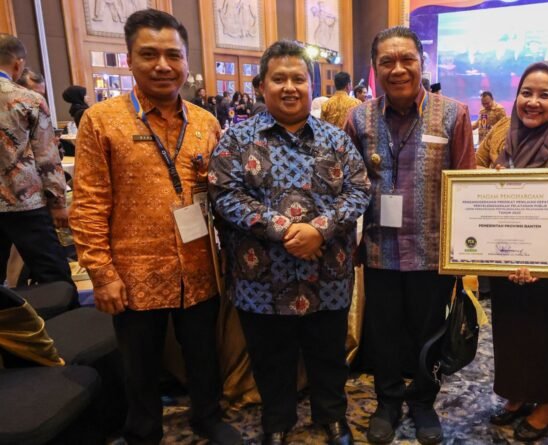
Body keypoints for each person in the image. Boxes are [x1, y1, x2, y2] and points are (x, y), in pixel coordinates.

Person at [69, 10, 241, 445]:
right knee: (139, 362)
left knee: (203, 352)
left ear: (186, 61)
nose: (163, 65)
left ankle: (207, 416)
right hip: (133, 271)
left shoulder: (206, 122)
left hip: (199, 266)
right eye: (149, 55)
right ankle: (143, 430)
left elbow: (222, 194)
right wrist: (101, 274)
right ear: (129, 60)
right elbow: (88, 204)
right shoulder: (101, 120)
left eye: (172, 55)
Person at [209, 40, 370, 445]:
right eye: (278, 79)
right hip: (261, 278)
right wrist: (283, 229)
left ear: (311, 85)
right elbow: (225, 194)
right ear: (261, 85)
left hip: (327, 274)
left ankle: (332, 416)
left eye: (298, 79)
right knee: (270, 357)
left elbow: (359, 189)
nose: (289, 87)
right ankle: (277, 422)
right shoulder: (236, 140)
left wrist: (320, 229)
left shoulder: (336, 140)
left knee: (328, 354)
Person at [343, 26, 475, 445]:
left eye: (407, 60)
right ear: (375, 67)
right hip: (379, 248)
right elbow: (347, 184)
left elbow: (466, 185)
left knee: (429, 331)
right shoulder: (358, 118)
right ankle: (387, 401)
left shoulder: (453, 114)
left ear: (423, 63)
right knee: (383, 331)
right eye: (387, 61)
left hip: (431, 250)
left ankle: (422, 401)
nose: (398, 69)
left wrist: (465, 252)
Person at [478, 61, 548, 442]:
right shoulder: (502, 134)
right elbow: (474, 171)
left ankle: (545, 405)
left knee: (542, 332)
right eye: (527, 93)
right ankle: (517, 394)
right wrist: (487, 181)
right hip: (503, 254)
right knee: (509, 328)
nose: (533, 102)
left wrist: (542, 262)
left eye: (545, 95)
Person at [0, 34, 72, 292]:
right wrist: (58, 202)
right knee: (55, 276)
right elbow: (47, 157)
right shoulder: (28, 99)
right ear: (18, 64)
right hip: (24, 200)